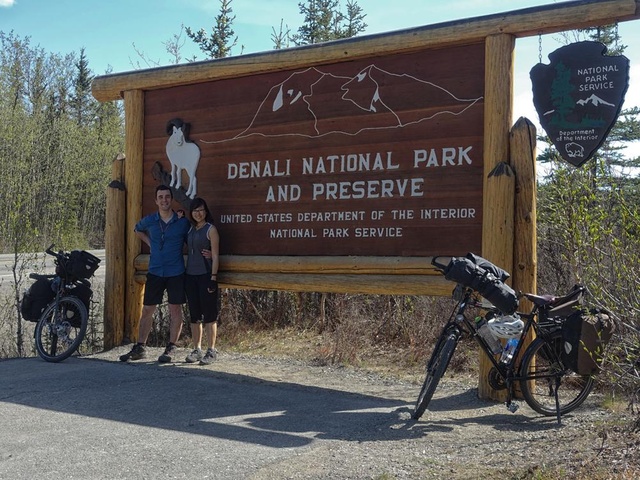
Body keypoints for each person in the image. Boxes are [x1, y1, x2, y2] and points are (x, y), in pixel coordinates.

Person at [120, 184, 190, 363]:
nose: (164, 200)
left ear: (171, 199)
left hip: (176, 272)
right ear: (156, 201)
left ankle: (171, 347)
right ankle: (140, 347)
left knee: (175, 310)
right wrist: (150, 243)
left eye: (167, 197)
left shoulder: (182, 222)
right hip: (155, 271)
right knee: (147, 310)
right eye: (161, 197)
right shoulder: (150, 220)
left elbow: (193, 239)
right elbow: (137, 229)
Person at [182, 198, 220, 365]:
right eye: (195, 210)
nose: (198, 213)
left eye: (201, 210)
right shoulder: (190, 229)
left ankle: (211, 350)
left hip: (206, 275)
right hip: (190, 275)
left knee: (209, 314)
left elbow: (216, 256)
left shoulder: (211, 230)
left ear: (206, 211)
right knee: (195, 315)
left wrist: (213, 277)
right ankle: (197, 349)